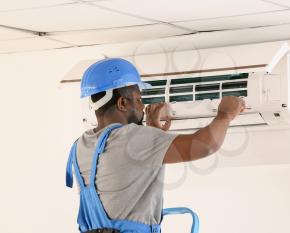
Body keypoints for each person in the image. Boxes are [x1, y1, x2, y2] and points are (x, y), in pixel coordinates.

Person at [66, 58, 245, 233]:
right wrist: (224, 115)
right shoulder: (134, 139)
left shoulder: (81, 146)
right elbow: (205, 145)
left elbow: (121, 174)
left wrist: (152, 132)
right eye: (138, 99)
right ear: (122, 103)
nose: (142, 106)